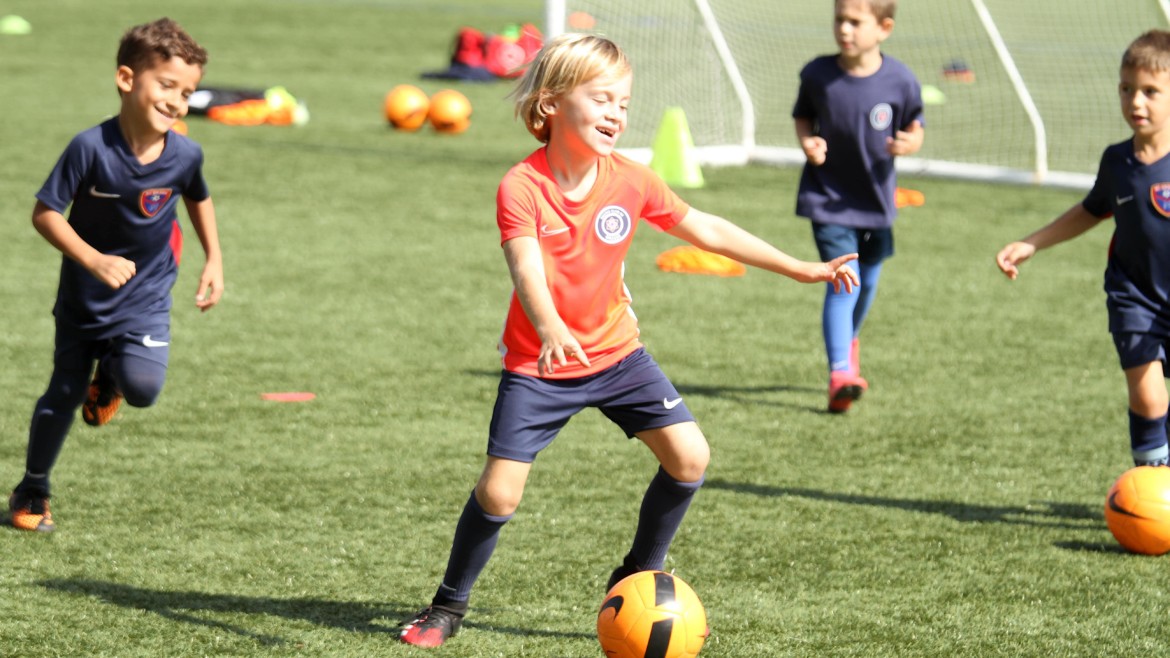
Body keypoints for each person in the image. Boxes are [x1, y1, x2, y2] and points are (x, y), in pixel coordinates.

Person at [398, 32, 860, 648]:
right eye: (602, 98)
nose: (617, 112)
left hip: (618, 356)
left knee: (690, 458)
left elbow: (707, 229)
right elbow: (526, 267)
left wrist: (801, 267)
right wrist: (552, 327)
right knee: (499, 493)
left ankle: (636, 573)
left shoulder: (631, 180)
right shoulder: (522, 186)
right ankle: (447, 609)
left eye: (624, 101)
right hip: (542, 364)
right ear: (553, 102)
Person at [4, 17, 222, 532]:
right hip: (85, 295)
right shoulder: (89, 148)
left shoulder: (186, 153)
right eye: (166, 85)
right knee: (62, 392)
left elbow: (198, 195)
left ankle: (114, 379)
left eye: (187, 91)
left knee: (143, 387)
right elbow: (45, 213)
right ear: (127, 79)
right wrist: (93, 259)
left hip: (146, 294)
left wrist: (214, 258)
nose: (176, 101)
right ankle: (33, 488)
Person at [996, 30, 1170, 468]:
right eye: (1127, 89)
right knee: (1149, 398)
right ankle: (1152, 491)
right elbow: (1092, 210)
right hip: (1136, 298)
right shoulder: (1117, 161)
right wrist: (1032, 242)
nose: (1137, 102)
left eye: (1151, 91)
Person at [793, 0, 925, 413]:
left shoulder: (901, 81)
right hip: (828, 199)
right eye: (839, 20)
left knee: (867, 283)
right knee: (843, 280)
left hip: (875, 202)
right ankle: (839, 373)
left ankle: (848, 345)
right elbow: (803, 116)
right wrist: (807, 142)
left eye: (855, 22)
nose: (844, 29)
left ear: (883, 27)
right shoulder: (817, 73)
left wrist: (911, 142)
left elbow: (915, 125)